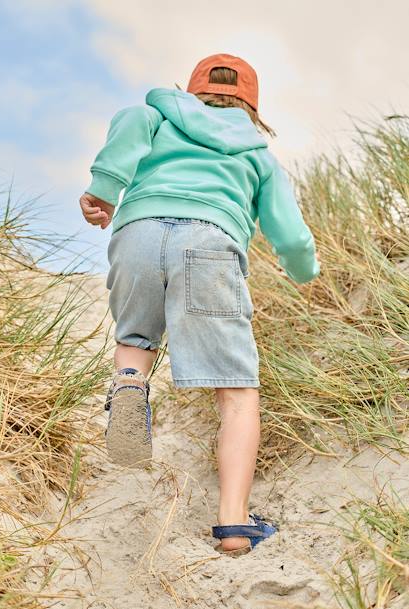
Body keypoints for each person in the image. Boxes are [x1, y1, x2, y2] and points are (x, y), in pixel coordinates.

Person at [80, 53, 320, 555]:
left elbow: (128, 126)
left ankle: (128, 386)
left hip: (138, 233)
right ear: (251, 108)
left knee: (135, 338)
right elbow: (292, 239)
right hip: (209, 244)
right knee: (237, 392)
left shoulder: (157, 114)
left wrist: (103, 192)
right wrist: (305, 273)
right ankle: (234, 524)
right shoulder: (257, 155)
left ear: (191, 92)